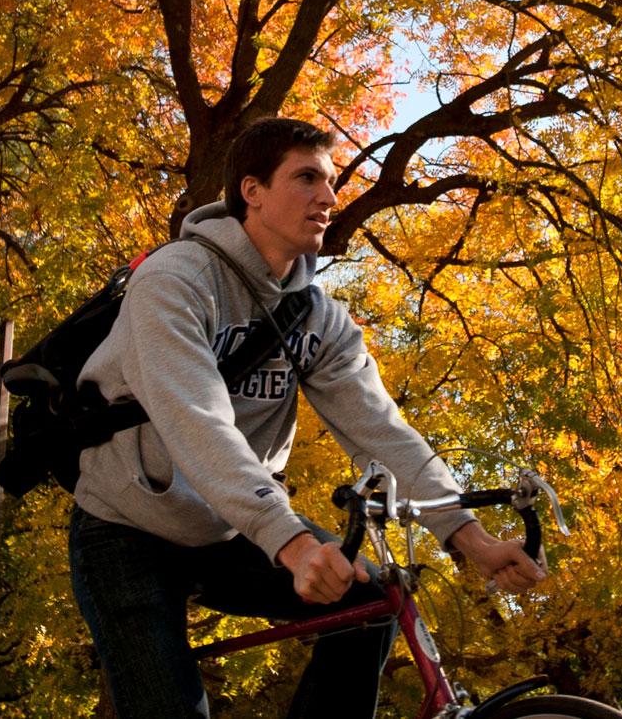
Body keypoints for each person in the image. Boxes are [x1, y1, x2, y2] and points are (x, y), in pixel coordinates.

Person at [66, 117, 546, 718]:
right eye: (307, 178)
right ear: (252, 190)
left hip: (230, 528)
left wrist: (470, 537)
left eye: (332, 182)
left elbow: (380, 429)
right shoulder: (174, 280)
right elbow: (196, 419)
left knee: (373, 602)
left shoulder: (317, 318)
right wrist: (290, 542)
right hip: (126, 527)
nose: (329, 197)